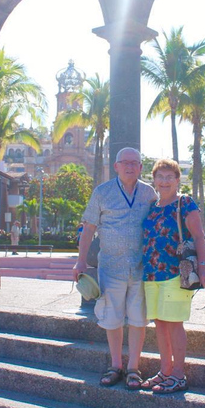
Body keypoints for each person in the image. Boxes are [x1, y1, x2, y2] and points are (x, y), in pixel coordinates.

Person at [72, 147, 157, 390]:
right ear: (116, 166)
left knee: (139, 319)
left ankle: (133, 368)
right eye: (125, 162)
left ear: (141, 167)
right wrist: (81, 261)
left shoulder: (149, 193)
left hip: (141, 268)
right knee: (112, 318)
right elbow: (88, 227)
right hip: (110, 267)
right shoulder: (103, 192)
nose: (130, 166)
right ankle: (116, 365)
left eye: (135, 162)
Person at [140, 159, 205, 394]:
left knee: (173, 324)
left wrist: (203, 268)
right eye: (160, 176)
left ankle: (178, 375)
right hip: (151, 273)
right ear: (154, 180)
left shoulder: (185, 203)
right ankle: (165, 370)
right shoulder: (153, 206)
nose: (164, 181)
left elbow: (199, 236)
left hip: (175, 273)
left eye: (169, 176)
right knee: (160, 324)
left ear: (177, 179)